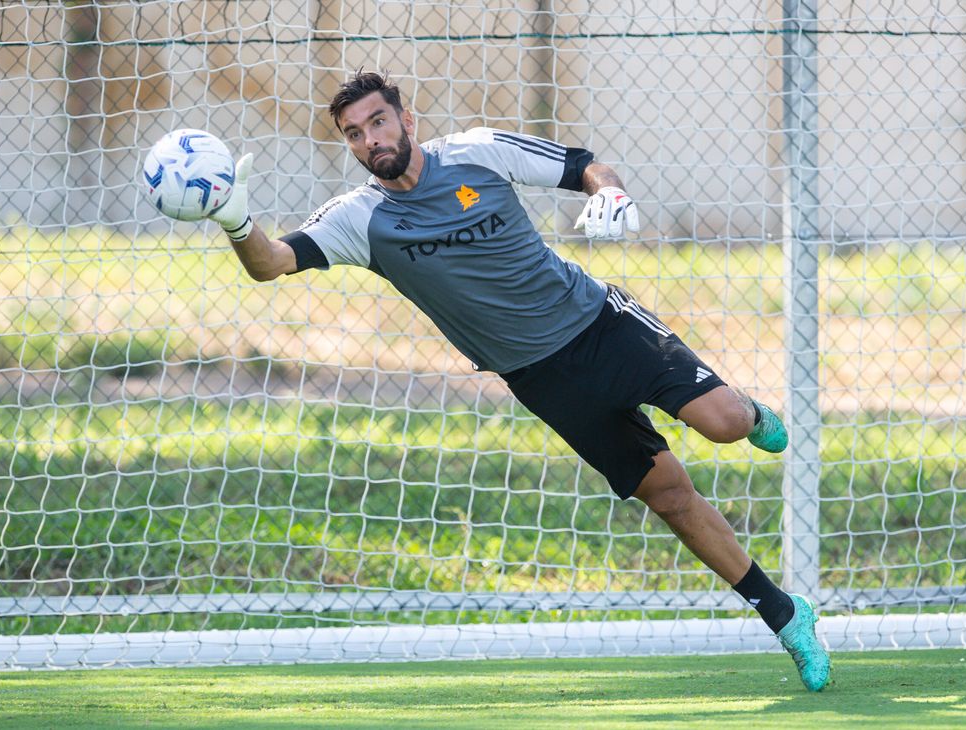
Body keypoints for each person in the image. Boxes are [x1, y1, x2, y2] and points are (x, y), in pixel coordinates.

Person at [209, 69, 831, 691]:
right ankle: (783, 613)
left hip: (602, 325)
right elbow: (272, 262)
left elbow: (584, 166)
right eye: (354, 133)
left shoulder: (477, 153)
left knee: (724, 424)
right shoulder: (359, 218)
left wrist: (609, 193)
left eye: (378, 121)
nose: (371, 139)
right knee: (668, 496)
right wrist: (237, 222)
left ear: (406, 120)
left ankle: (749, 411)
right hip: (541, 379)